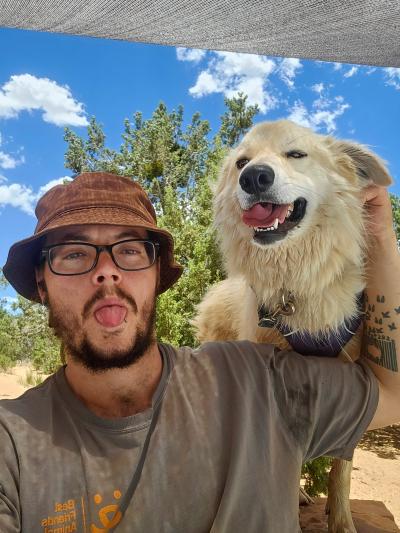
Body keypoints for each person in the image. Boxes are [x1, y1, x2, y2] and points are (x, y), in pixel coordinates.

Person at [0, 172, 399, 533]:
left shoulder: (260, 384)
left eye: (130, 250)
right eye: (74, 253)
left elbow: (393, 394)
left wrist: (379, 237)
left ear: (157, 272)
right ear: (40, 282)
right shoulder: (12, 446)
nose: (106, 271)